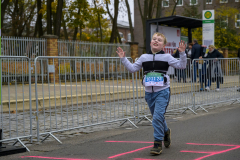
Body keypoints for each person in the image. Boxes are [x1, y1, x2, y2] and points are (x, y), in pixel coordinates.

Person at [116, 32, 187, 155]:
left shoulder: (167, 57)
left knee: (157, 118)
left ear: (163, 45)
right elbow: (133, 69)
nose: (156, 41)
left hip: (162, 92)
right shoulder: (143, 57)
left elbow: (182, 65)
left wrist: (182, 53)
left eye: (159, 40)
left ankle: (157, 144)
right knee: (157, 117)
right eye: (154, 39)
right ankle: (166, 131)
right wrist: (123, 59)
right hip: (149, 93)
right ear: (150, 42)